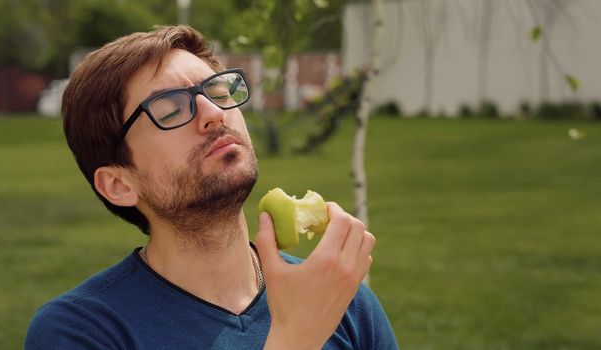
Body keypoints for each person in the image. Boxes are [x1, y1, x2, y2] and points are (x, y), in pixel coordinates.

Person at [25, 25, 398, 350]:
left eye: (218, 91)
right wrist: (296, 338)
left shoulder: (339, 300)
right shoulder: (82, 330)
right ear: (119, 184)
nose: (214, 114)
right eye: (170, 109)